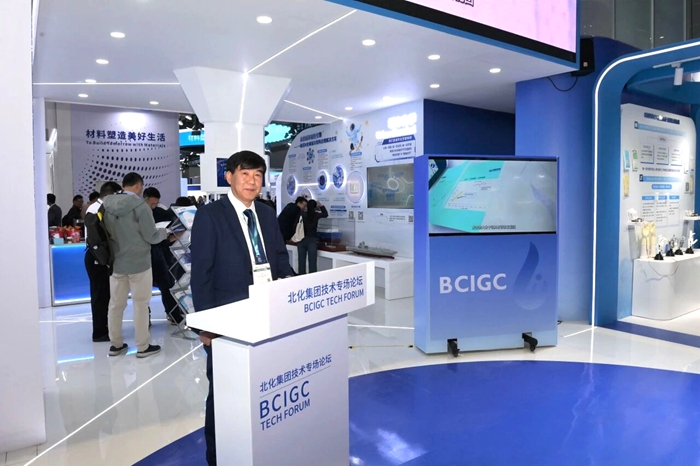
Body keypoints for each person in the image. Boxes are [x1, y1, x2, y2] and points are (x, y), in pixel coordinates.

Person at [190, 150, 293, 465]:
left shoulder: (266, 213)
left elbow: (279, 258)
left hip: (267, 313)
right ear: (229, 177)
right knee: (224, 394)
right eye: (245, 174)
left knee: (263, 384)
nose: (252, 181)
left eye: (258, 175)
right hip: (228, 319)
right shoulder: (211, 215)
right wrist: (206, 325)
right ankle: (218, 456)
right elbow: (202, 272)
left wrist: (291, 290)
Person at [102, 172, 177, 358]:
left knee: (115, 305)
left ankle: (115, 344)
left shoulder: (107, 204)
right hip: (139, 263)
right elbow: (151, 236)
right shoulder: (140, 206)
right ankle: (142, 346)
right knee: (140, 305)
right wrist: (164, 232)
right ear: (138, 186)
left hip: (116, 262)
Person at [84, 181, 121, 342]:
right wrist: (104, 260)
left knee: (106, 295)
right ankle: (99, 332)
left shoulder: (103, 208)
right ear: (109, 195)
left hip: (102, 258)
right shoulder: (95, 210)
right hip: (97, 258)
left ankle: (105, 328)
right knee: (100, 295)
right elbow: (96, 240)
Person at [143, 187, 185, 325]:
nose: (154, 206)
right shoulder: (139, 213)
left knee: (167, 286)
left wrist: (173, 234)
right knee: (143, 291)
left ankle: (174, 314)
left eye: (156, 203)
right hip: (144, 255)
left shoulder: (161, 212)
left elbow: (168, 236)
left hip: (161, 255)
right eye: (152, 203)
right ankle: (144, 318)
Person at [298, 199, 328, 274]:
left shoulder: (303, 214)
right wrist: (321, 205)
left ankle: (301, 277)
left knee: (301, 261)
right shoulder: (316, 215)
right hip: (312, 240)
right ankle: (312, 278)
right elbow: (326, 214)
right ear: (315, 207)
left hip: (302, 239)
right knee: (312, 262)